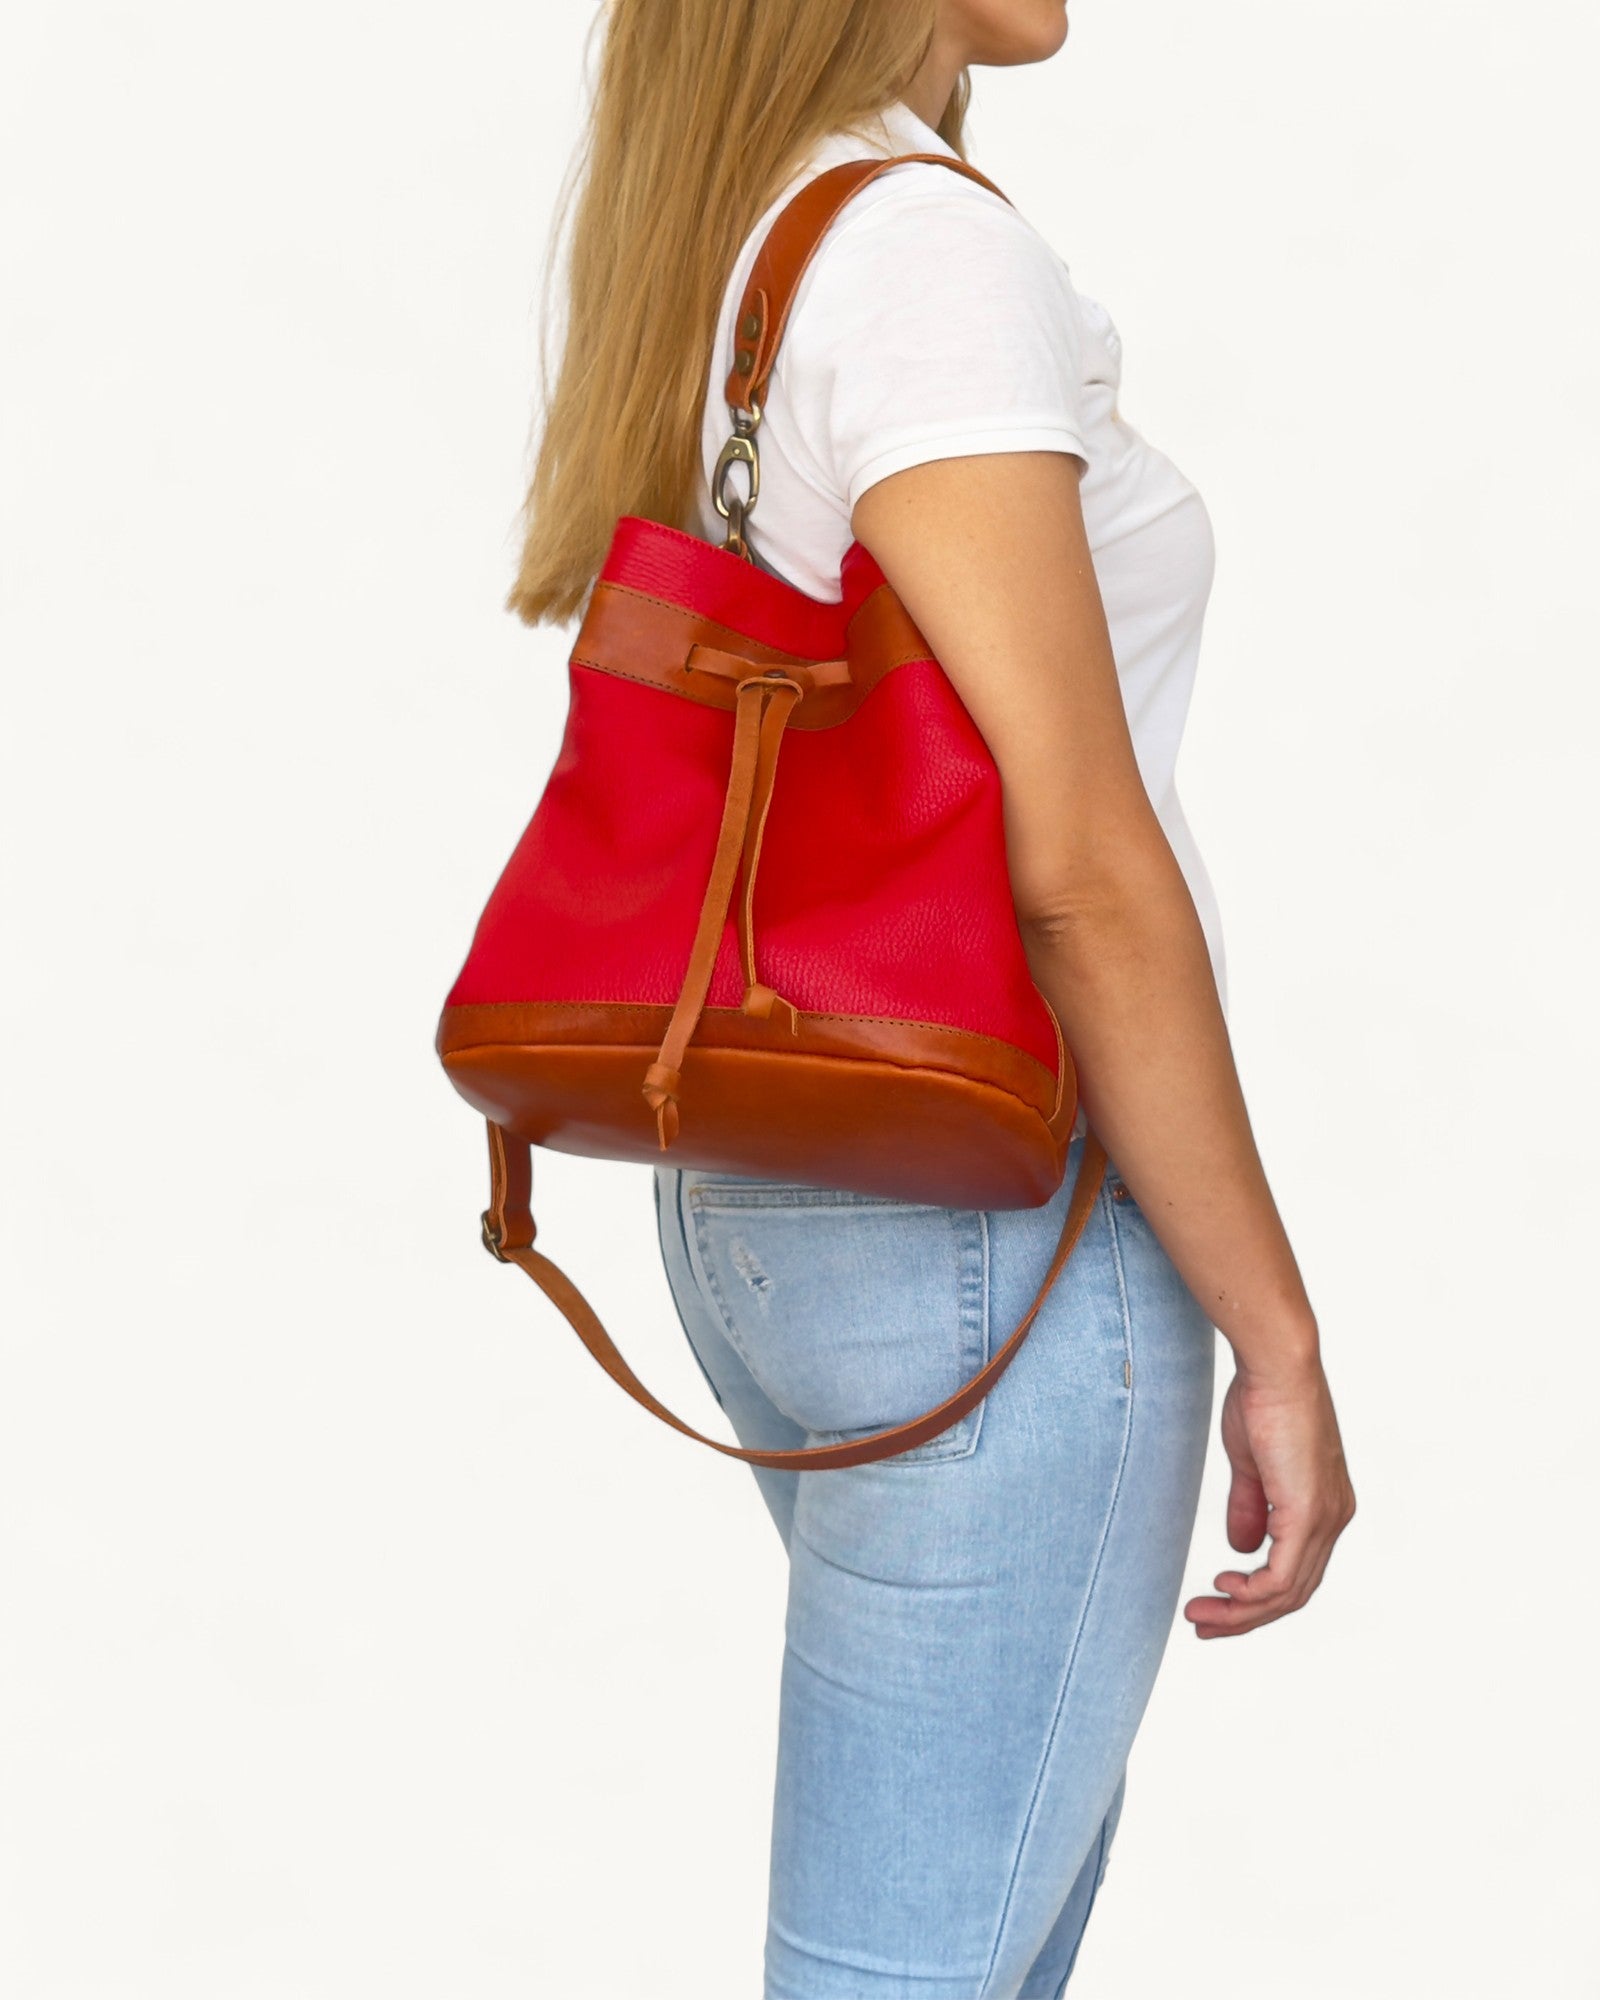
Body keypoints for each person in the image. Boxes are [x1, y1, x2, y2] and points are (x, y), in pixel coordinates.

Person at [506, 4, 1356, 1993]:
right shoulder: (918, 255)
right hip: (980, 1222)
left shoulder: (740, 226)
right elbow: (1080, 872)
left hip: (772, 1200)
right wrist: (1277, 1327)